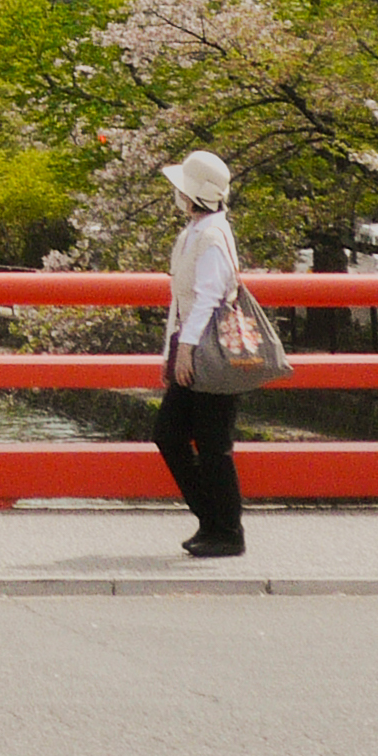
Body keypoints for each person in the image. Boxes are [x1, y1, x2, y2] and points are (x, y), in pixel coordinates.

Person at [156, 148, 246, 558]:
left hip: (209, 349)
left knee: (212, 443)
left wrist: (185, 350)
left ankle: (226, 530)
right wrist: (170, 352)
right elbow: (181, 300)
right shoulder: (195, 232)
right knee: (170, 434)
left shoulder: (211, 235)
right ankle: (212, 520)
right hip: (190, 344)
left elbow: (209, 297)